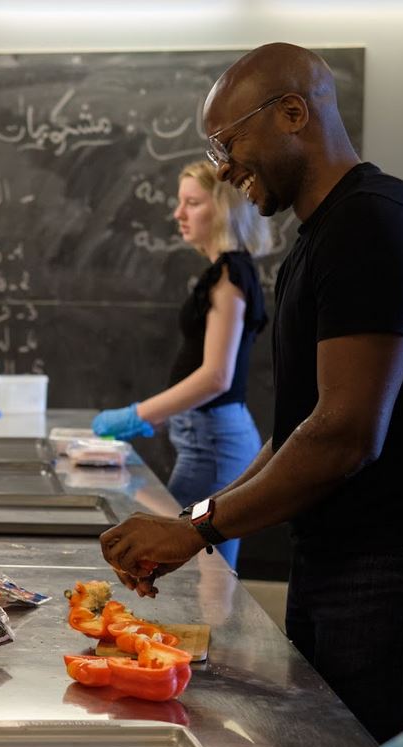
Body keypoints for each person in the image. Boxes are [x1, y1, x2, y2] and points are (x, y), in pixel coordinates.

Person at [100, 42, 403, 743]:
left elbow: (346, 433)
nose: (226, 167)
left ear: (293, 113)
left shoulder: (371, 223)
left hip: (391, 575)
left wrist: (197, 529)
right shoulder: (319, 239)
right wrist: (194, 523)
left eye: (230, 143)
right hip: (337, 563)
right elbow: (297, 431)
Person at [92, 160, 272, 568]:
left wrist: (137, 414)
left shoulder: (230, 273)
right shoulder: (225, 271)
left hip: (214, 444)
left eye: (192, 203)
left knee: (201, 569)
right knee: (194, 565)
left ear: (224, 209)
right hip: (204, 438)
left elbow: (216, 376)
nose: (179, 214)